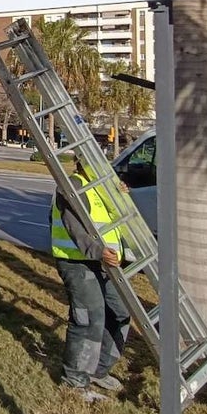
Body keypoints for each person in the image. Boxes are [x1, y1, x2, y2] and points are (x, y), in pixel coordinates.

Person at [51, 160, 131, 401]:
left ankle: (98, 370)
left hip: (105, 264)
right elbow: (73, 226)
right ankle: (75, 381)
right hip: (78, 262)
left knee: (121, 312)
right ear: (82, 162)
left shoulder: (101, 186)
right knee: (89, 318)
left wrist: (123, 196)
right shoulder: (72, 185)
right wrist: (97, 251)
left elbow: (118, 220)